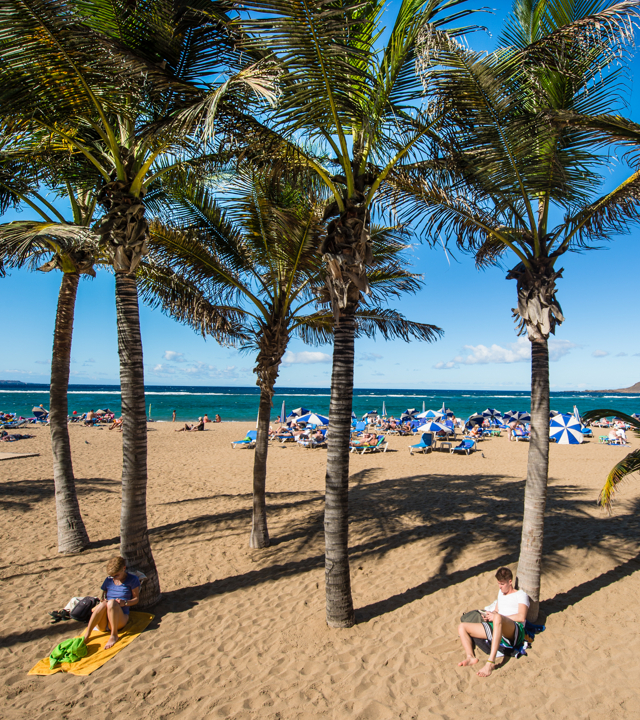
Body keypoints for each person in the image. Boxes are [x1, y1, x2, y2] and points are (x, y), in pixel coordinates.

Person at [457, 567, 529, 678]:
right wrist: (489, 615)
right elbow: (496, 610)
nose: (500, 587)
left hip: (514, 630)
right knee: (462, 627)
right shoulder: (501, 594)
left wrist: (497, 617)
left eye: (502, 584)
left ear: (510, 582)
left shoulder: (520, 595)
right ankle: (470, 657)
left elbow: (522, 617)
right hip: (496, 624)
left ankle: (490, 662)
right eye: (498, 584)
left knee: (498, 618)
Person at [82, 556, 140, 650]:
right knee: (104, 604)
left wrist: (124, 603)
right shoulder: (108, 580)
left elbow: (136, 599)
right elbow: (103, 596)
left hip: (120, 618)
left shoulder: (132, 580)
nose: (114, 578)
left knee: (112, 603)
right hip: (104, 621)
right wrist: (103, 601)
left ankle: (114, 635)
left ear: (124, 568)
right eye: (112, 576)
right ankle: (87, 634)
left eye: (116, 575)